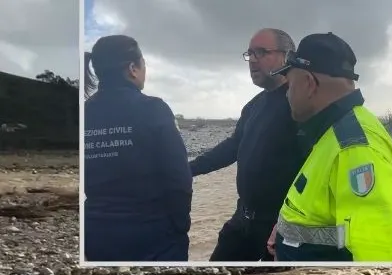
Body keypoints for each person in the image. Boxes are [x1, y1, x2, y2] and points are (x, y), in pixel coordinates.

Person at [266, 33, 392, 261]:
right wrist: (286, 232)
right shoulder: (333, 131)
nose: (287, 93)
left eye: (290, 83)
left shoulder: (354, 147)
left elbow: (381, 259)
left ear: (308, 84)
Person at [188, 29, 308, 261]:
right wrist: (188, 169)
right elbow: (232, 147)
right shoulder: (253, 106)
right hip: (243, 220)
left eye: (261, 52)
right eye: (250, 53)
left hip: (280, 227)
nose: (253, 59)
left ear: (287, 56)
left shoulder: (299, 106)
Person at [82, 35, 192, 261]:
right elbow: (178, 177)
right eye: (143, 64)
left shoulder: (84, 112)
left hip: (96, 232)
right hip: (152, 234)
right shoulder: (153, 108)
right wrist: (180, 226)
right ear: (133, 68)